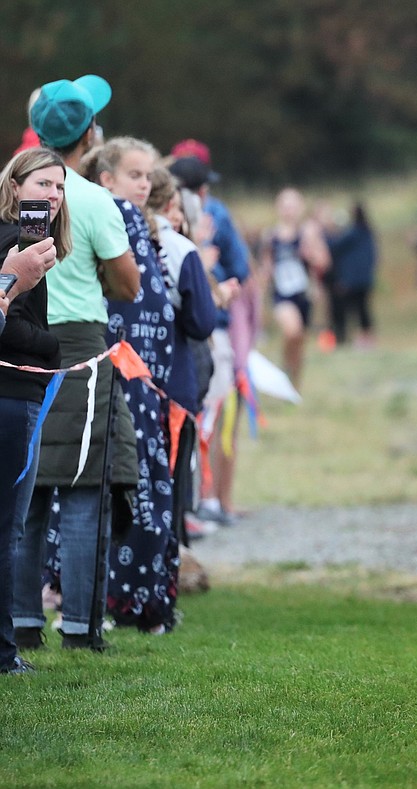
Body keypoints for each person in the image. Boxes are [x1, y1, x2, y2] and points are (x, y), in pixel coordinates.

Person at [14, 76, 141, 652]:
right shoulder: (93, 199)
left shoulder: (10, 190)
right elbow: (127, 283)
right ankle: (82, 628)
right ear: (90, 134)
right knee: (85, 488)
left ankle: (19, 620)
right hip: (82, 347)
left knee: (27, 488)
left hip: (15, 344)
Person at [85, 137, 181, 634]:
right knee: (132, 486)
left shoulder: (140, 225)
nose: (144, 184)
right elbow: (130, 300)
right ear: (107, 179)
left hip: (146, 382)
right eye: (134, 174)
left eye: (148, 176)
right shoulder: (113, 217)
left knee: (140, 485)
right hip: (126, 378)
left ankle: (136, 599)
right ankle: (126, 601)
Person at [0, 151, 63, 672]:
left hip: (19, 392)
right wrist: (52, 348)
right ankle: (4, 651)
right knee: (9, 527)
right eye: (43, 183)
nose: (53, 195)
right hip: (13, 392)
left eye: (61, 187)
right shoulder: (16, 245)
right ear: (15, 186)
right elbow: (11, 324)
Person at [168, 142, 250, 528]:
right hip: (208, 330)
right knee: (208, 417)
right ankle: (204, 504)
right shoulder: (213, 213)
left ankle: (198, 504)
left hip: (169, 332)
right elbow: (240, 269)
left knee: (197, 417)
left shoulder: (150, 214)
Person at [145, 164, 217, 545]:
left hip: (128, 377)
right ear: (172, 202)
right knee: (171, 480)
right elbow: (203, 322)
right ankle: (167, 570)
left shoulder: (122, 236)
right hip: (174, 377)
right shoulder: (180, 248)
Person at [258, 187, 330, 389]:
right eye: (285, 206)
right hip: (282, 295)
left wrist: (311, 255)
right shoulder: (270, 236)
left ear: (301, 208)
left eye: (293, 206)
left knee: (299, 339)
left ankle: (293, 381)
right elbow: (266, 267)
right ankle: (286, 370)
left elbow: (324, 262)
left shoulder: (308, 233)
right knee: (292, 331)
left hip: (304, 293)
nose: (289, 210)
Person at [326, 202, 377, 347]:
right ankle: (366, 337)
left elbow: (335, 246)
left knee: (354, 309)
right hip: (365, 278)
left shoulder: (353, 233)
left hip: (353, 280)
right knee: (363, 308)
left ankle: (359, 338)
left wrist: (325, 235)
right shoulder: (368, 232)